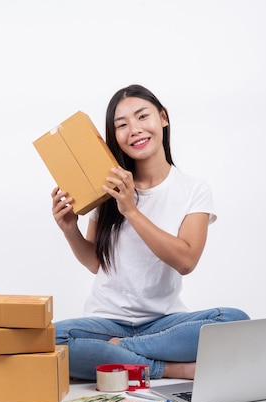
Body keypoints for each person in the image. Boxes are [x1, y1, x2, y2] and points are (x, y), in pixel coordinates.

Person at [51, 84, 250, 381]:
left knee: (236, 322)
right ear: (113, 136)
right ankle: (167, 368)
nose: (135, 129)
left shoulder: (193, 190)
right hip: (106, 322)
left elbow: (186, 261)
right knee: (49, 340)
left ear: (163, 118)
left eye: (143, 117)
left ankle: (124, 354)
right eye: (122, 125)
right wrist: (70, 231)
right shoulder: (106, 187)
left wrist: (131, 210)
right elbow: (96, 263)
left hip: (165, 325)